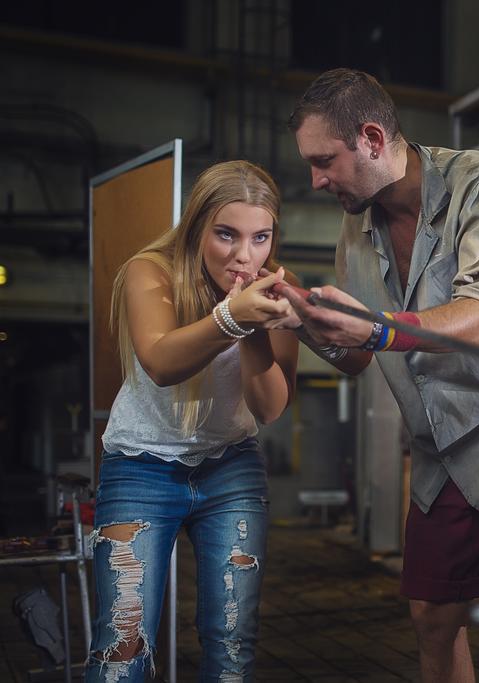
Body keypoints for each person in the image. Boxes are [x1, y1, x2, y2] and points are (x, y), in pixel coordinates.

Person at [280, 68, 479, 683]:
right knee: (430, 613)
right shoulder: (356, 228)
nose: (315, 180)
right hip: (444, 442)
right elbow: (361, 353)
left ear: (372, 138)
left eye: (325, 162)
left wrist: (375, 327)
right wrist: (300, 316)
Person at [85, 160, 298, 682]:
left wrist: (254, 328)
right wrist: (232, 317)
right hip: (140, 466)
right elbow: (160, 362)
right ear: (198, 226)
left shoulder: (274, 288)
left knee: (231, 643)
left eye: (260, 237)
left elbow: (269, 408)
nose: (243, 255)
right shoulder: (149, 270)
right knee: (123, 644)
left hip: (230, 467)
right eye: (226, 234)